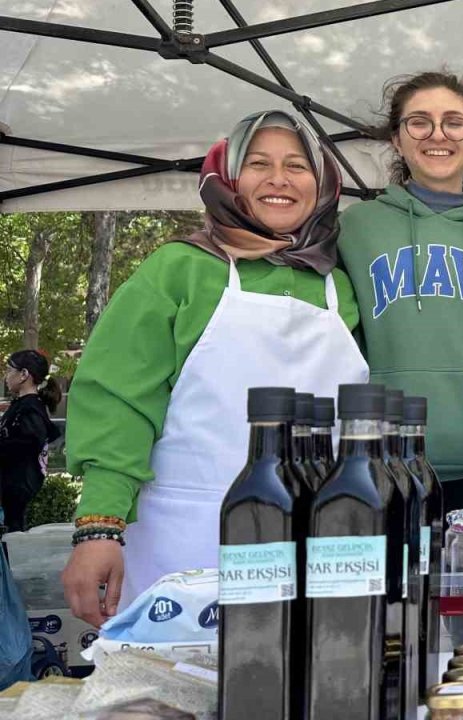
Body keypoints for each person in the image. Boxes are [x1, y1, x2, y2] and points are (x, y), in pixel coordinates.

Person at [62, 111, 369, 626]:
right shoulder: (180, 269)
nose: (279, 179)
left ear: (322, 185)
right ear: (227, 178)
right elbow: (119, 401)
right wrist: (100, 527)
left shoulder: (342, 289)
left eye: (297, 166)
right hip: (188, 538)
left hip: (314, 538)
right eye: (258, 164)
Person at [338, 70, 463, 516]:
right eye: (419, 122)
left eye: (453, 122)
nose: (437, 135)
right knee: (395, 587)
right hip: (384, 463)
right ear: (397, 138)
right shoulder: (354, 228)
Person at [1, 350, 62, 533]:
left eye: (9, 370)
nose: (6, 375)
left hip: (12, 493)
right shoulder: (22, 406)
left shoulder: (31, 410)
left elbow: (22, 448)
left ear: (24, 374)